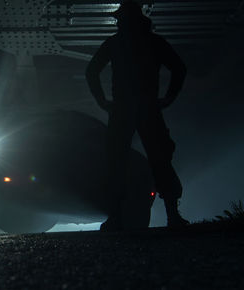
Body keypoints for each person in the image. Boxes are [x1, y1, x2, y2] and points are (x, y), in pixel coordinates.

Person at [85, 1, 189, 230]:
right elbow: (179, 69)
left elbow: (91, 71)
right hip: (148, 108)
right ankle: (172, 215)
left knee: (116, 163)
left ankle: (115, 218)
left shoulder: (114, 43)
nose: (118, 22)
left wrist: (103, 101)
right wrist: (168, 98)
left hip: (122, 109)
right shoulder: (154, 43)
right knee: (160, 160)